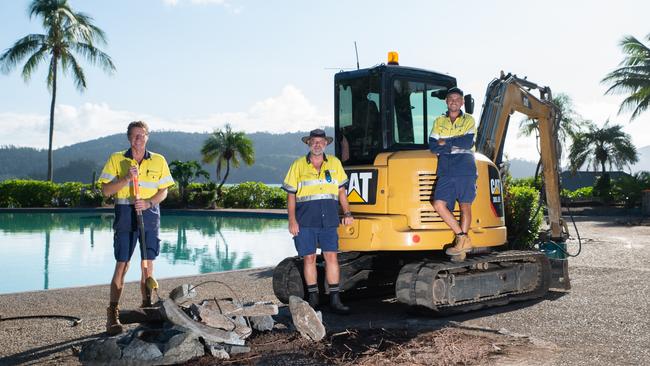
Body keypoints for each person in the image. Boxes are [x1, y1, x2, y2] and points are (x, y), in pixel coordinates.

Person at [98, 121, 174, 335]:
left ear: (147, 137)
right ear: (128, 137)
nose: (138, 139)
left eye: (142, 135)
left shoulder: (159, 160)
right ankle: (113, 313)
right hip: (125, 216)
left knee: (147, 265)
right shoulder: (116, 159)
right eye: (134, 135)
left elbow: (164, 191)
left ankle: (147, 305)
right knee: (122, 264)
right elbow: (105, 191)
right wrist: (125, 179)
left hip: (149, 215)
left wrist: (149, 203)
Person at [282, 129, 354, 314]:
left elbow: (341, 192)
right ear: (308, 143)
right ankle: (313, 299)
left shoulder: (335, 164)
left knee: (331, 257)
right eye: (314, 141)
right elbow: (291, 196)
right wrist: (292, 220)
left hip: (329, 220)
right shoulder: (297, 165)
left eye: (321, 142)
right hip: (306, 220)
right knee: (309, 258)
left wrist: (347, 213)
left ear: (326, 144)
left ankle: (335, 300)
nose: (317, 145)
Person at [429, 87, 477, 262]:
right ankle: (462, 237)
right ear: (446, 101)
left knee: (465, 206)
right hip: (446, 169)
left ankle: (461, 245)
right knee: (438, 204)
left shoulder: (469, 120)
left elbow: (467, 142)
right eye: (451, 98)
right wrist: (451, 144)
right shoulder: (439, 121)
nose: (454, 101)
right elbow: (433, 146)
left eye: (457, 99)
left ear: (462, 102)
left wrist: (445, 143)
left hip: (465, 167)